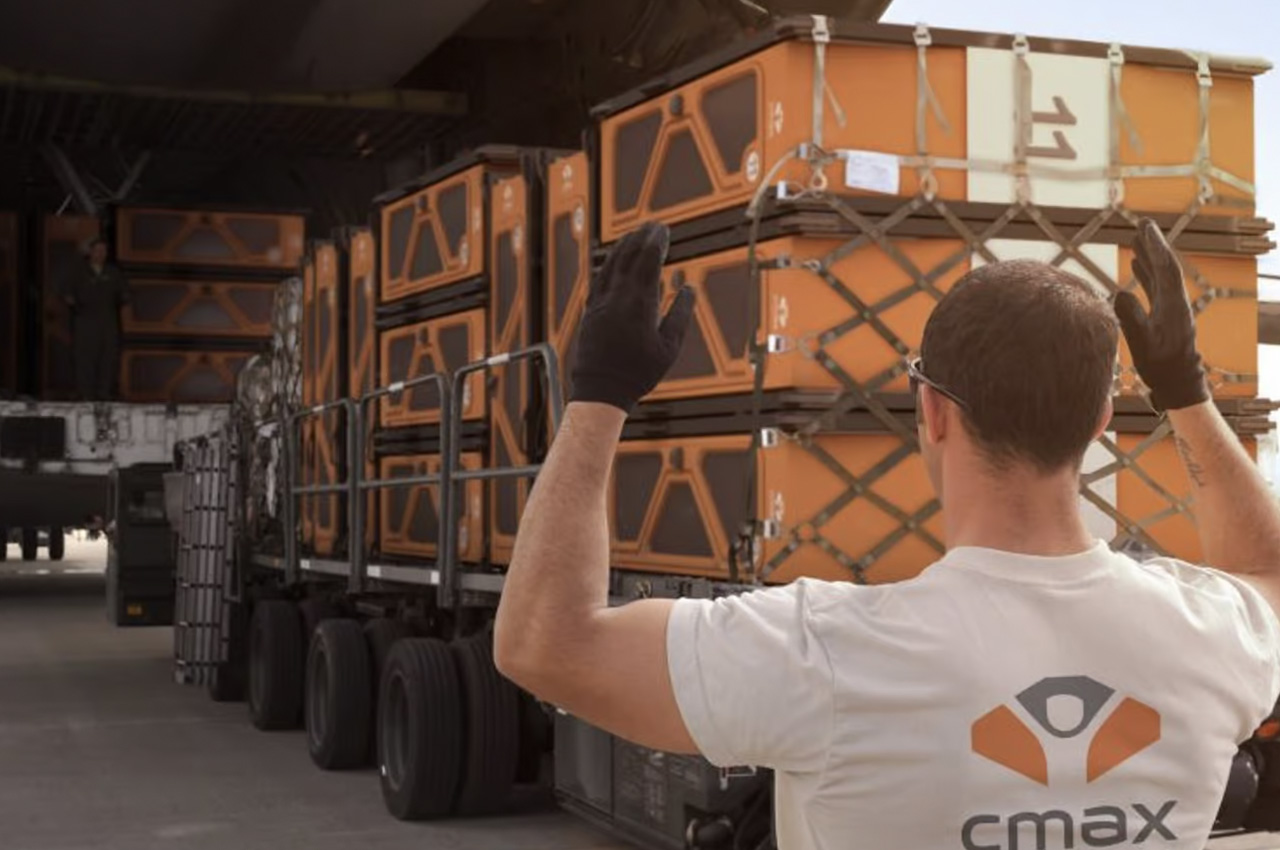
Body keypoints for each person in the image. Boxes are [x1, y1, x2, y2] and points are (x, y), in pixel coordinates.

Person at [493, 219, 1280, 850]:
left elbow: (543, 643)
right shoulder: (1211, 635)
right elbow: (1268, 568)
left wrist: (598, 397)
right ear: (1101, 421)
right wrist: (1186, 393)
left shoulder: (828, 654)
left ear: (931, 412)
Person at [63, 237, 129, 401]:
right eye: (97, 250)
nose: (100, 254)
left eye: (103, 251)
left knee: (108, 357)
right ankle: (85, 393)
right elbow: (67, 294)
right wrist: (77, 307)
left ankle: (104, 393)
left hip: (108, 321)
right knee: (85, 358)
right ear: (90, 252)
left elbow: (124, 294)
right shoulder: (78, 272)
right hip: (85, 322)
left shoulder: (113, 273)